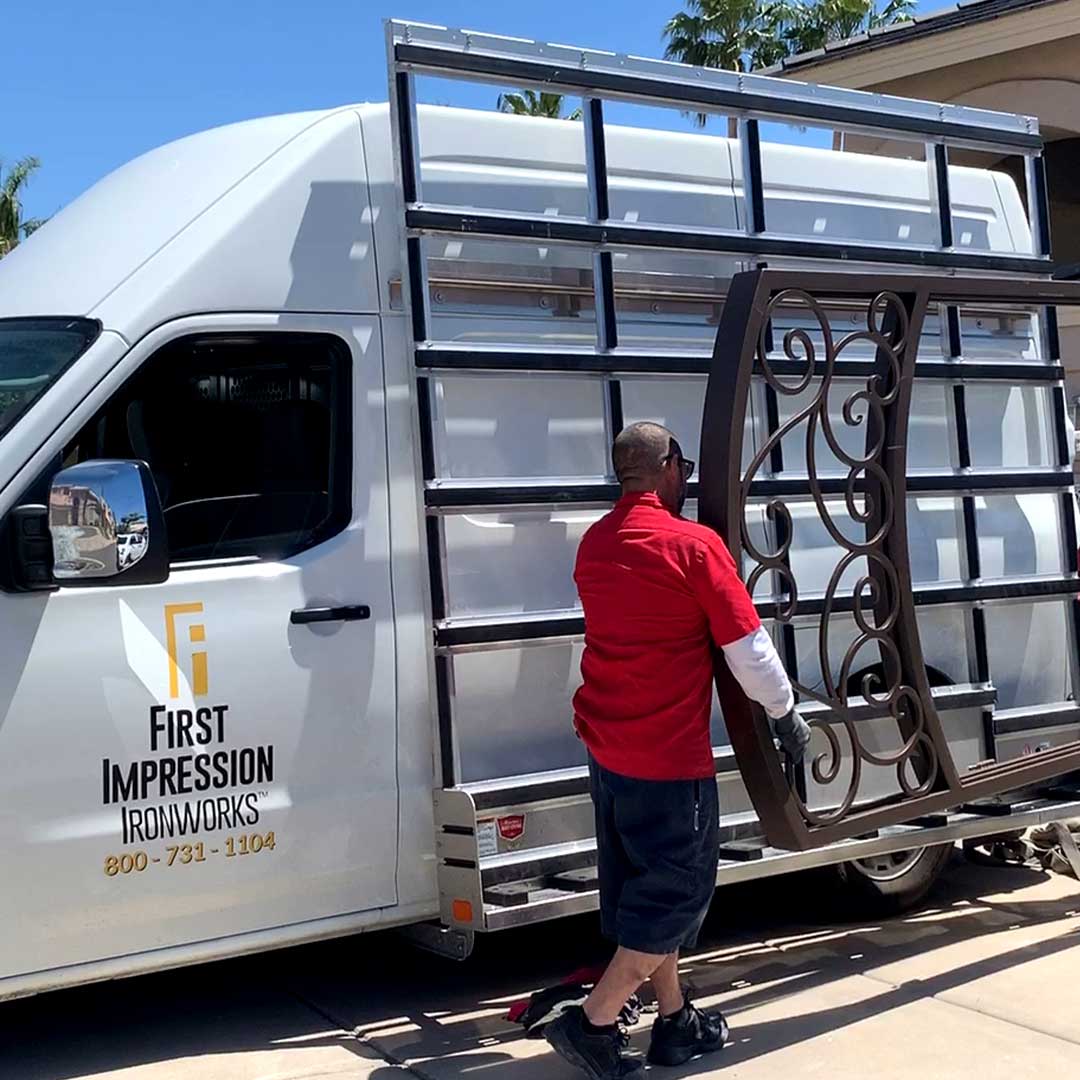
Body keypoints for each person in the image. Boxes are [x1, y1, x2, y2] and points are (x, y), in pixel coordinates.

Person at [545, 421, 811, 1079]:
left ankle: (675, 1022)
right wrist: (785, 715)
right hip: (667, 756)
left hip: (607, 748)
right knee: (675, 897)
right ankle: (594, 1024)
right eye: (684, 467)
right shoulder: (694, 546)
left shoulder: (596, 545)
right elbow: (748, 648)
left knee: (645, 893)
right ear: (670, 468)